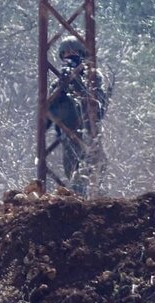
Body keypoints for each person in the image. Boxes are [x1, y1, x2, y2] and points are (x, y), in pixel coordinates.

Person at [47, 36, 108, 195]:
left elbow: (97, 108)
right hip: (69, 135)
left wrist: (77, 81)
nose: (69, 56)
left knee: (93, 174)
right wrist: (62, 86)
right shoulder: (59, 81)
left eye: (73, 52)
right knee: (74, 177)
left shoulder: (94, 77)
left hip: (89, 133)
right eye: (65, 53)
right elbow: (46, 116)